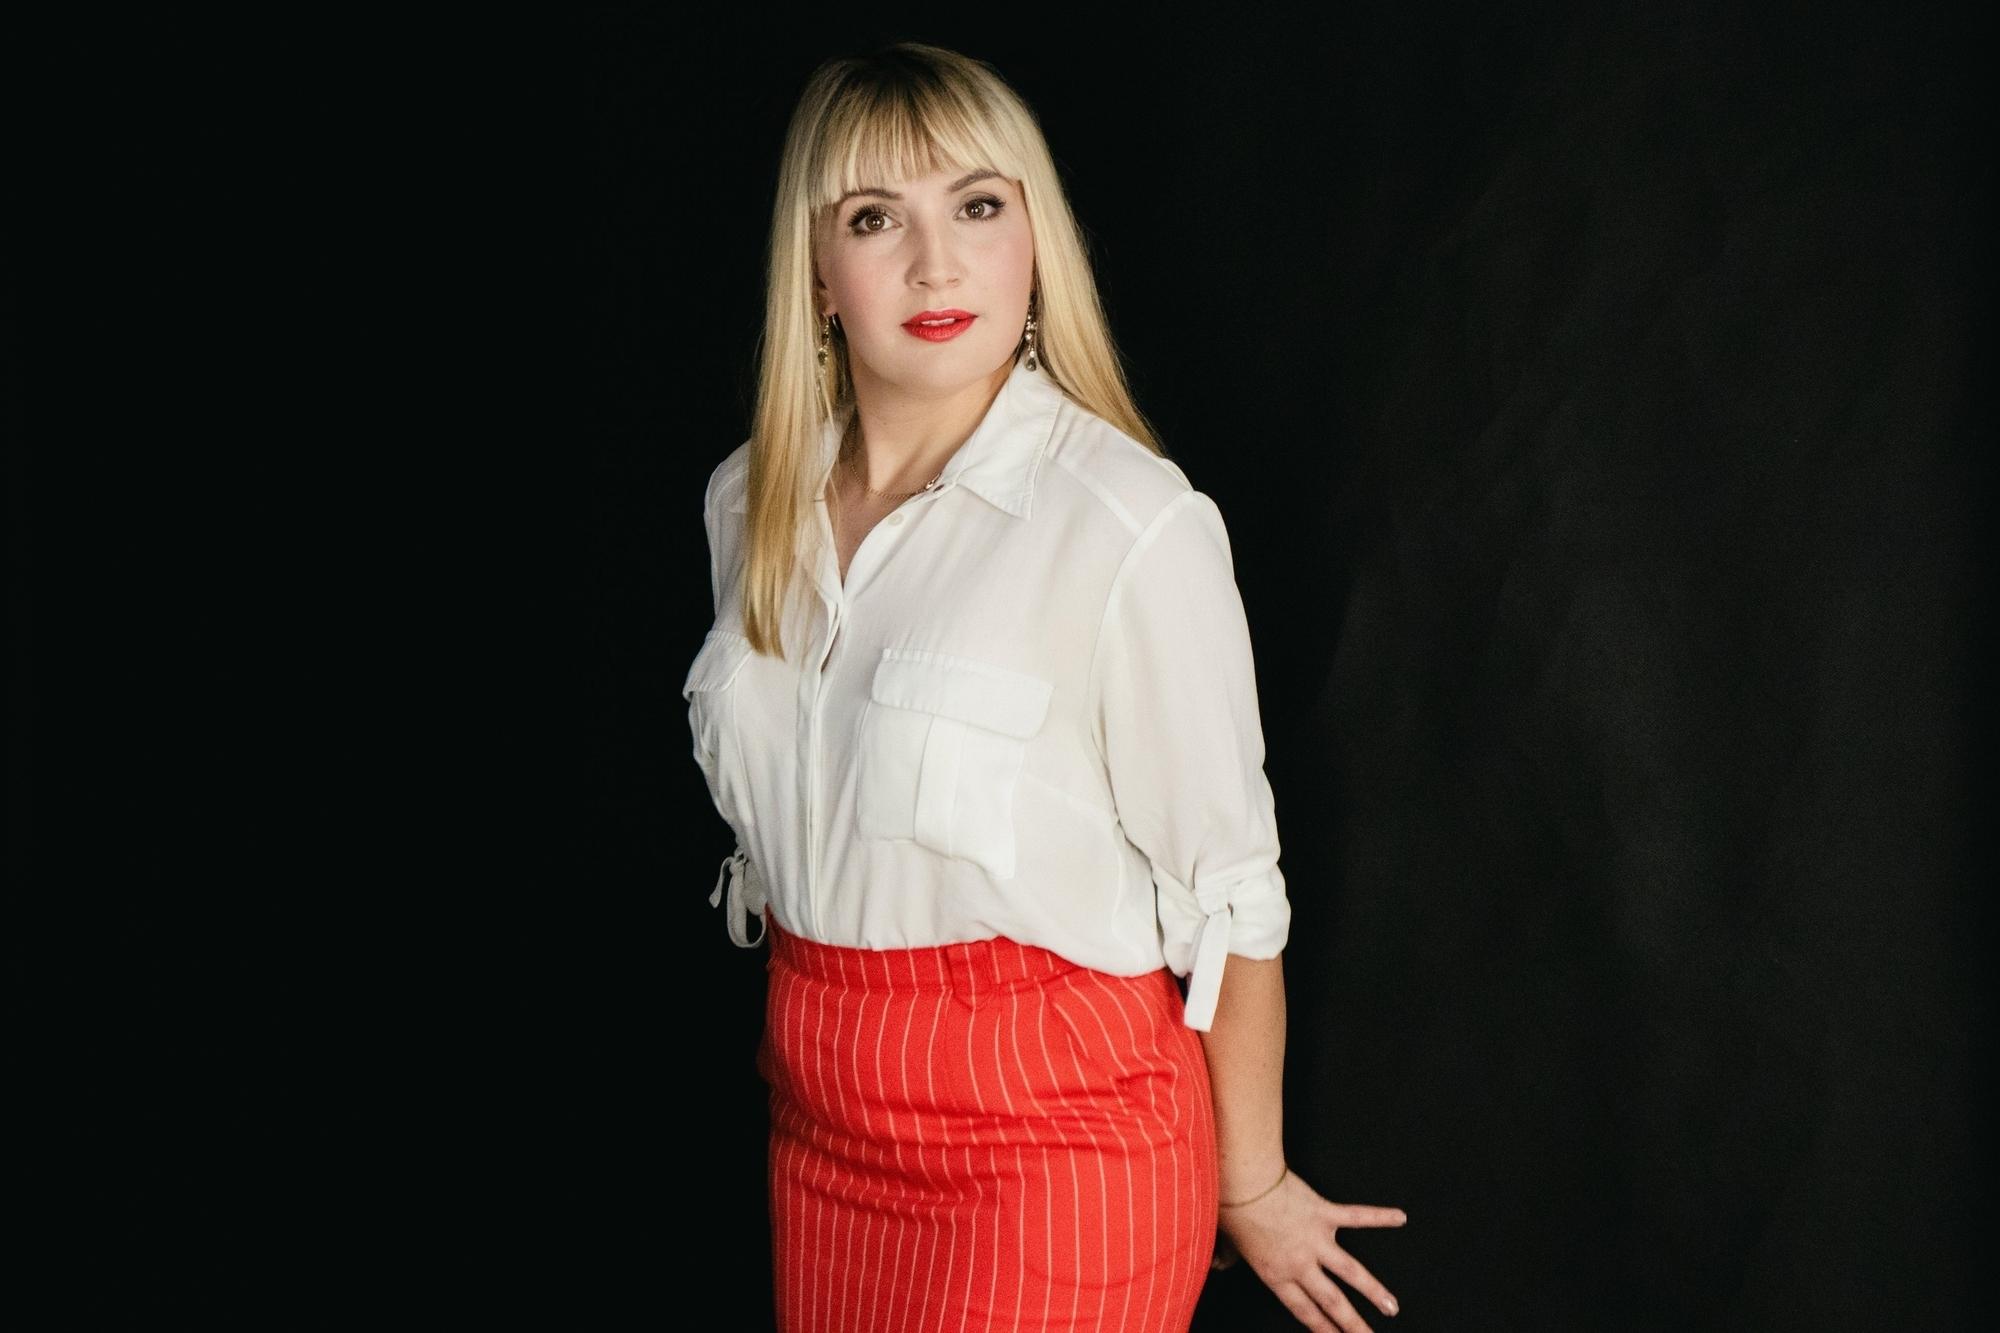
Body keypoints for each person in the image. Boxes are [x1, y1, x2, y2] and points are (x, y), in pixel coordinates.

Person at [683, 40, 1407, 1333]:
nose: (936, 264)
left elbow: (1232, 896)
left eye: (977, 205)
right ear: (818, 272)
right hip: (819, 1130)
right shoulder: (748, 502)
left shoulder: (1128, 523)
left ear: (1035, 238)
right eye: (875, 218)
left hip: (1054, 1141)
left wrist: (1249, 1179)